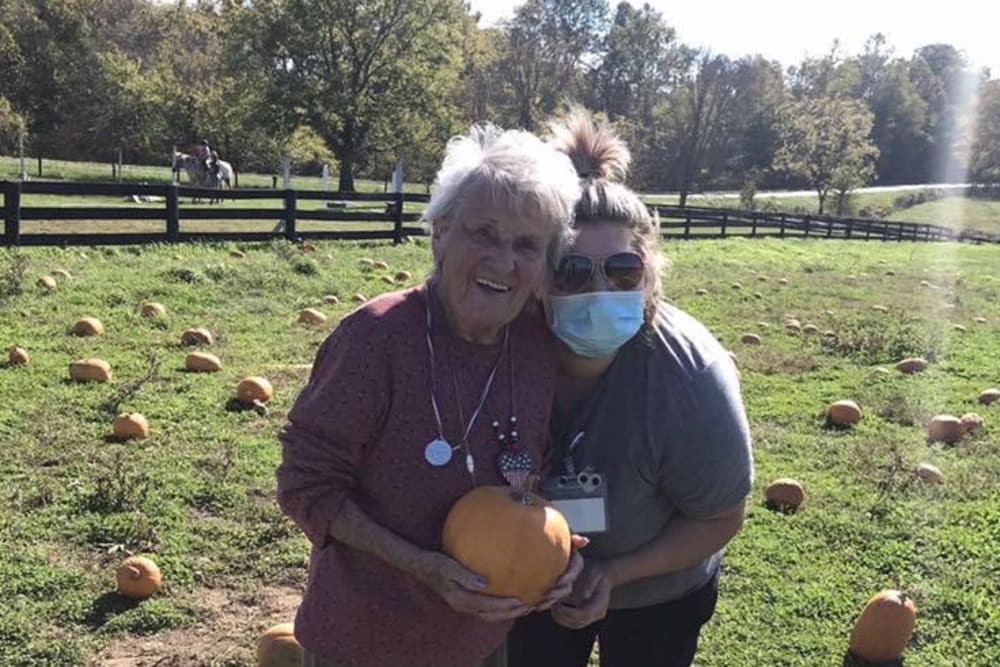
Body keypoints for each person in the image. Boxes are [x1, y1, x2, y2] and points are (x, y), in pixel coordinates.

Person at [276, 123, 587, 667]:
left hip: (482, 641)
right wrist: (421, 564)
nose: (504, 261)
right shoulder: (375, 340)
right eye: (484, 233)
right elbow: (306, 488)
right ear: (440, 233)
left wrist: (562, 545)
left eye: (526, 245)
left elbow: (540, 468)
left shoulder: (537, 348)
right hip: (364, 640)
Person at [506, 109, 754, 667]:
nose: (599, 290)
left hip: (659, 590)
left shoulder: (693, 377)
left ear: (649, 275)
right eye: (571, 271)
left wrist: (612, 574)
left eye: (622, 269)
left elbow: (719, 516)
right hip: (531, 578)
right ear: (540, 280)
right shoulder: (501, 354)